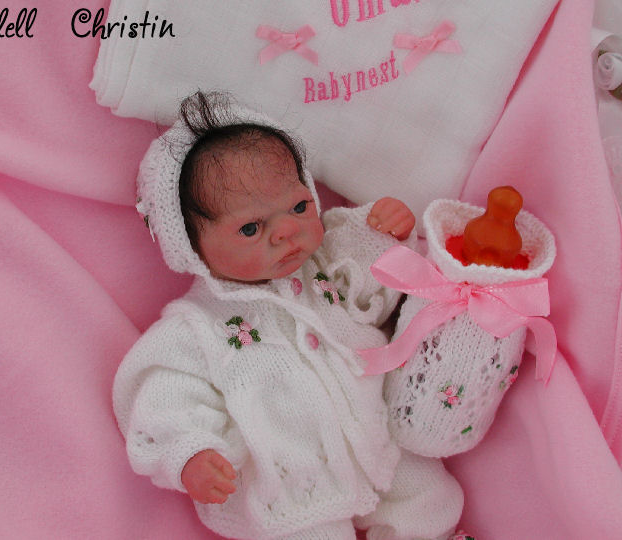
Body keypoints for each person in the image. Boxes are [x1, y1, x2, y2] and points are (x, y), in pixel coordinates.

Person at [113, 92, 464, 540]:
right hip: (292, 482)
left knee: (429, 498)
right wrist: (190, 454)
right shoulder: (198, 327)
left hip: (375, 441)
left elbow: (379, 287)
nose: (287, 231)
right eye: (251, 228)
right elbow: (166, 396)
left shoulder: (327, 263)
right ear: (189, 245)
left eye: (299, 207)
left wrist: (386, 235)